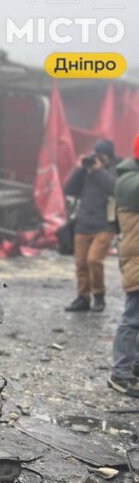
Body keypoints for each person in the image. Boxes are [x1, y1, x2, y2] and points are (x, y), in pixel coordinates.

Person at [63, 139, 117, 312]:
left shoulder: (114, 171)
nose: (96, 159)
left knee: (94, 260)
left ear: (108, 157)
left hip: (105, 226)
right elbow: (69, 189)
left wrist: (99, 171)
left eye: (101, 155)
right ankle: (83, 298)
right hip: (83, 224)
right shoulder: (84, 172)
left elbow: (114, 188)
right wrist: (78, 169)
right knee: (81, 264)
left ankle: (99, 296)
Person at [109, 134, 139, 396]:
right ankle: (120, 373)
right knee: (132, 318)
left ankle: (134, 366)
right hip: (137, 259)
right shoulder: (130, 182)